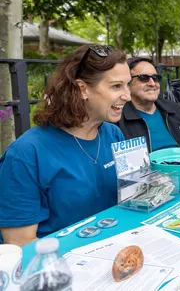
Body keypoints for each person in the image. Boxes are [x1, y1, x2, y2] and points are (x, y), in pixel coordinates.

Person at [0, 45, 131, 246]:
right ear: (82, 89)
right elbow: (19, 243)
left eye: (127, 85)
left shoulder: (114, 134)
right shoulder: (26, 153)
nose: (128, 96)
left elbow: (132, 198)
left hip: (118, 247)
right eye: (116, 86)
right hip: (59, 266)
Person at [117, 57, 180, 152]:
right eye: (143, 78)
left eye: (155, 78)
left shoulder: (174, 109)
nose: (152, 83)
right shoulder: (118, 118)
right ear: (128, 83)